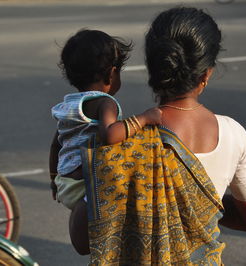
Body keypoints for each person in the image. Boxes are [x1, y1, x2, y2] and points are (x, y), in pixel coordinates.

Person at [68, 7, 246, 262]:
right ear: (206, 73)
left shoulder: (123, 143)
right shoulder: (233, 134)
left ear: (152, 69)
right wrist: (206, 206)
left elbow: (81, 240)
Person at [49, 29, 162, 248]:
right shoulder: (104, 103)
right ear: (111, 74)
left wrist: (54, 180)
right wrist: (145, 118)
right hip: (85, 184)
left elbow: (56, 144)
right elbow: (111, 134)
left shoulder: (69, 105)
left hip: (65, 182)